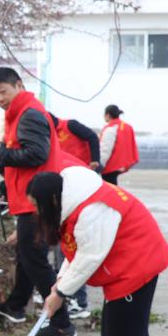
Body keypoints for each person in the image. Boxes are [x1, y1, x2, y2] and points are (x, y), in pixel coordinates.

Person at [28, 167, 168, 336]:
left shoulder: (92, 209)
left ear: (53, 199)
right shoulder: (75, 202)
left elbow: (90, 256)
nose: (37, 213)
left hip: (139, 262)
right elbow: (78, 250)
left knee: (124, 331)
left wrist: (60, 294)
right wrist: (61, 281)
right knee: (112, 325)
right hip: (125, 262)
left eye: (38, 206)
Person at [0, 67, 83, 336]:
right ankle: (16, 306)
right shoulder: (19, 115)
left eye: (3, 91)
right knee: (28, 256)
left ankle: (62, 321)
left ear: (18, 85)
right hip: (29, 200)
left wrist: (1, 153)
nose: (0, 99)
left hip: (36, 201)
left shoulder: (29, 114)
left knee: (35, 260)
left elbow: (36, 155)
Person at [48, 112, 101, 319]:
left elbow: (92, 137)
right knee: (63, 250)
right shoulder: (49, 142)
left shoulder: (70, 126)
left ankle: (79, 301)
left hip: (79, 185)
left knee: (72, 250)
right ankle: (68, 294)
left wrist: (95, 160)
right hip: (66, 188)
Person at [98, 104, 138, 185]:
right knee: (114, 187)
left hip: (111, 165)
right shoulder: (127, 127)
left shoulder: (111, 128)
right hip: (121, 164)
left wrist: (100, 165)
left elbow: (105, 149)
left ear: (107, 115)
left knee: (110, 188)